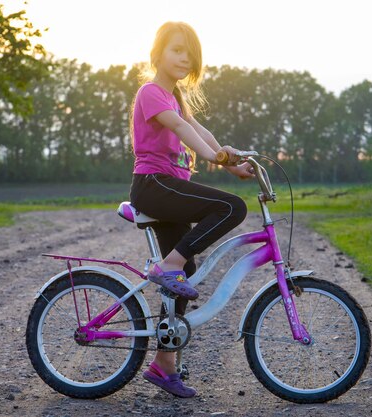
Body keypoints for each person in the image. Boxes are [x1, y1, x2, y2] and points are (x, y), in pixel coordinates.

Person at [129, 21, 254, 398]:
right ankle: (167, 265)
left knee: (186, 273)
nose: (184, 58)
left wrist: (230, 162)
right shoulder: (151, 93)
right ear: (158, 53)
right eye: (176, 50)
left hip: (169, 189)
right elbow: (184, 133)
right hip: (154, 186)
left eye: (190, 53)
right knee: (232, 207)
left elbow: (200, 130)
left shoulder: (176, 98)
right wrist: (212, 156)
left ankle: (164, 366)